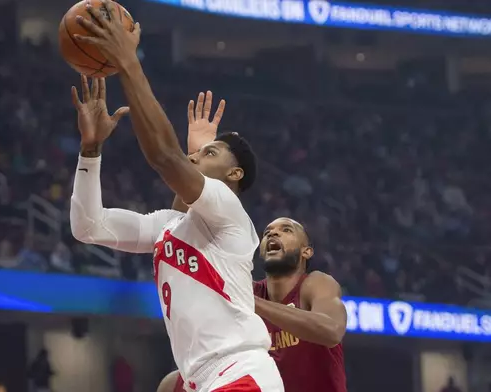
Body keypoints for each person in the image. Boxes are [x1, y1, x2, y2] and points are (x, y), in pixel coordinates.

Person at [70, 3, 282, 391]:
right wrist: (90, 149)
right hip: (200, 378)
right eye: (198, 153)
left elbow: (164, 158)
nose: (196, 155)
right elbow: (88, 226)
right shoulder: (168, 227)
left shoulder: (229, 212)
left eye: (212, 153)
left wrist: (127, 61)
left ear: (234, 175)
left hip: (242, 373)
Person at [158, 96, 347, 392]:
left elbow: (331, 330)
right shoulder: (243, 286)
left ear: (307, 251)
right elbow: (178, 229)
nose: (273, 234)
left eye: (286, 230)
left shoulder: (314, 284)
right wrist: (195, 159)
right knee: (172, 384)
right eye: (269, 231)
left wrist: (251, 304)